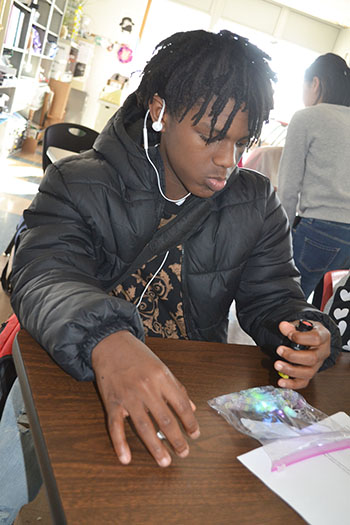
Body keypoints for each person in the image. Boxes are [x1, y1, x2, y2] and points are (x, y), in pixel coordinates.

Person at [3, 30, 341, 496]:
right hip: (67, 369)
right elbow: (43, 274)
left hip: (182, 397)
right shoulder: (78, 181)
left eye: (242, 143)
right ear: (160, 111)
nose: (228, 160)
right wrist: (108, 341)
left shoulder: (255, 202)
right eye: (211, 137)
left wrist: (303, 330)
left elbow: (272, 297)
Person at [278, 53, 350, 299]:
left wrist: (281, 238)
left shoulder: (307, 117)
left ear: (316, 83)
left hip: (320, 229)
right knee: (328, 314)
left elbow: (288, 186)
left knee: (285, 306)